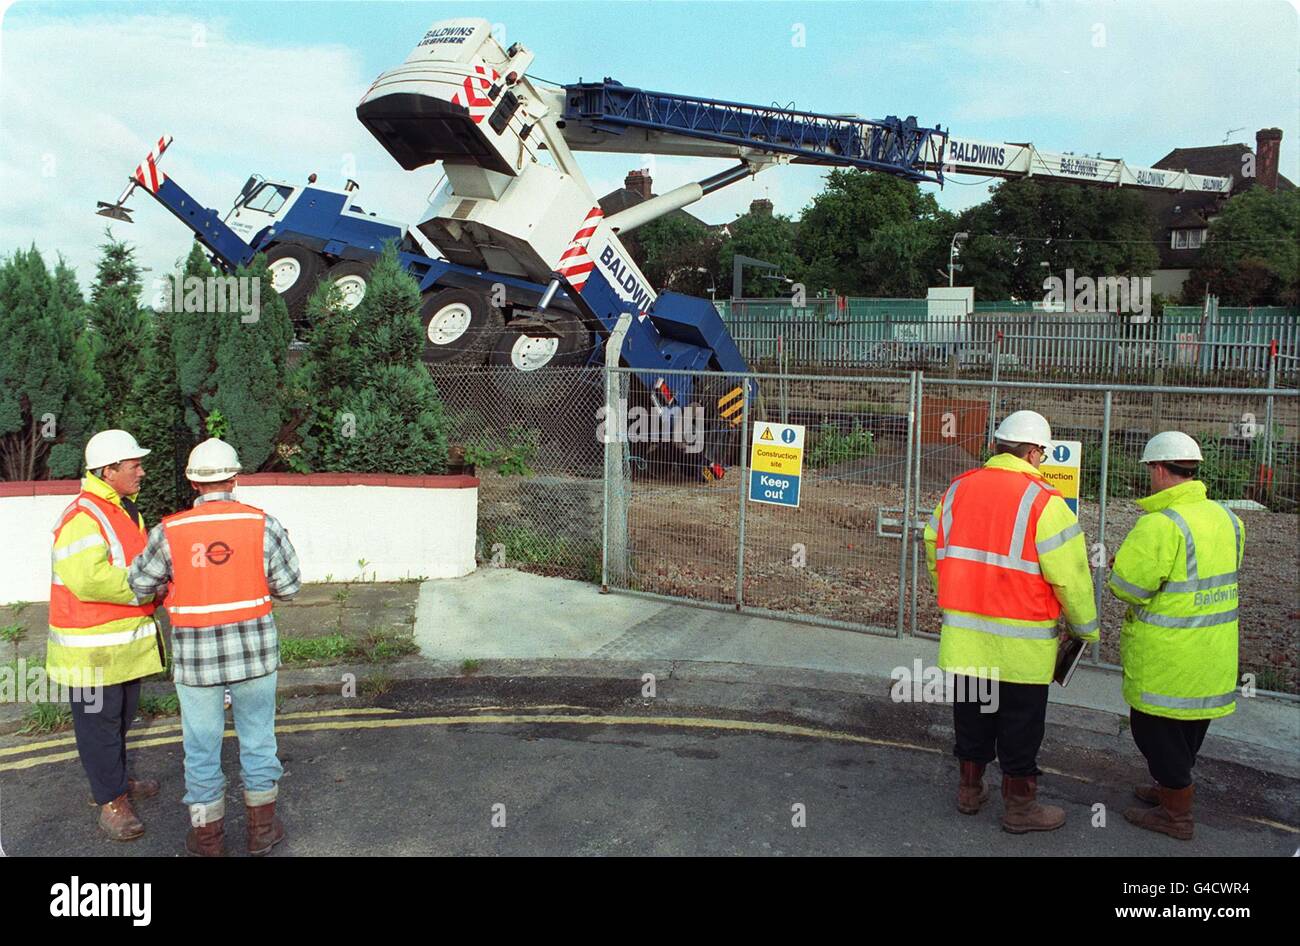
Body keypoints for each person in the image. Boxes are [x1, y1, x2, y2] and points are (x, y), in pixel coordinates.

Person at [923, 410, 1098, 833]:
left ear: (998, 446)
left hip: (966, 638)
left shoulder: (958, 490)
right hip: (1024, 646)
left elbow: (934, 546)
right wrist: (1085, 627)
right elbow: (1071, 577)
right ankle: (1020, 808)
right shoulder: (1045, 502)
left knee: (973, 713)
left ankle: (969, 790)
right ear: (1036, 451)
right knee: (1020, 725)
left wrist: (953, 593)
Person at [128, 437, 301, 856]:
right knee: (258, 740)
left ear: (192, 482)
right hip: (255, 656)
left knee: (201, 749)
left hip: (195, 662)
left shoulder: (168, 531)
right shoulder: (263, 524)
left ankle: (208, 839)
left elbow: (137, 585)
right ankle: (261, 832)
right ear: (235, 479)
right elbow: (289, 587)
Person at [1107, 431, 1242, 841]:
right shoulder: (1229, 519)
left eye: (1150, 469)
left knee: (1152, 730)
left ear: (1161, 469)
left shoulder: (1159, 525)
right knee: (1187, 730)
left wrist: (1119, 566)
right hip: (1213, 652)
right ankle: (1171, 788)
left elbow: (1128, 588)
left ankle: (1176, 814)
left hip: (1169, 657)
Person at [48, 429, 164, 841]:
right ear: (108, 470)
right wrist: (148, 586)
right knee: (99, 727)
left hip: (121, 648)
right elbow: (89, 579)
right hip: (90, 652)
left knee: (118, 720)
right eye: (134, 466)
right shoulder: (83, 515)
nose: (142, 472)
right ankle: (111, 802)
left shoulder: (124, 511)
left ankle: (114, 783)